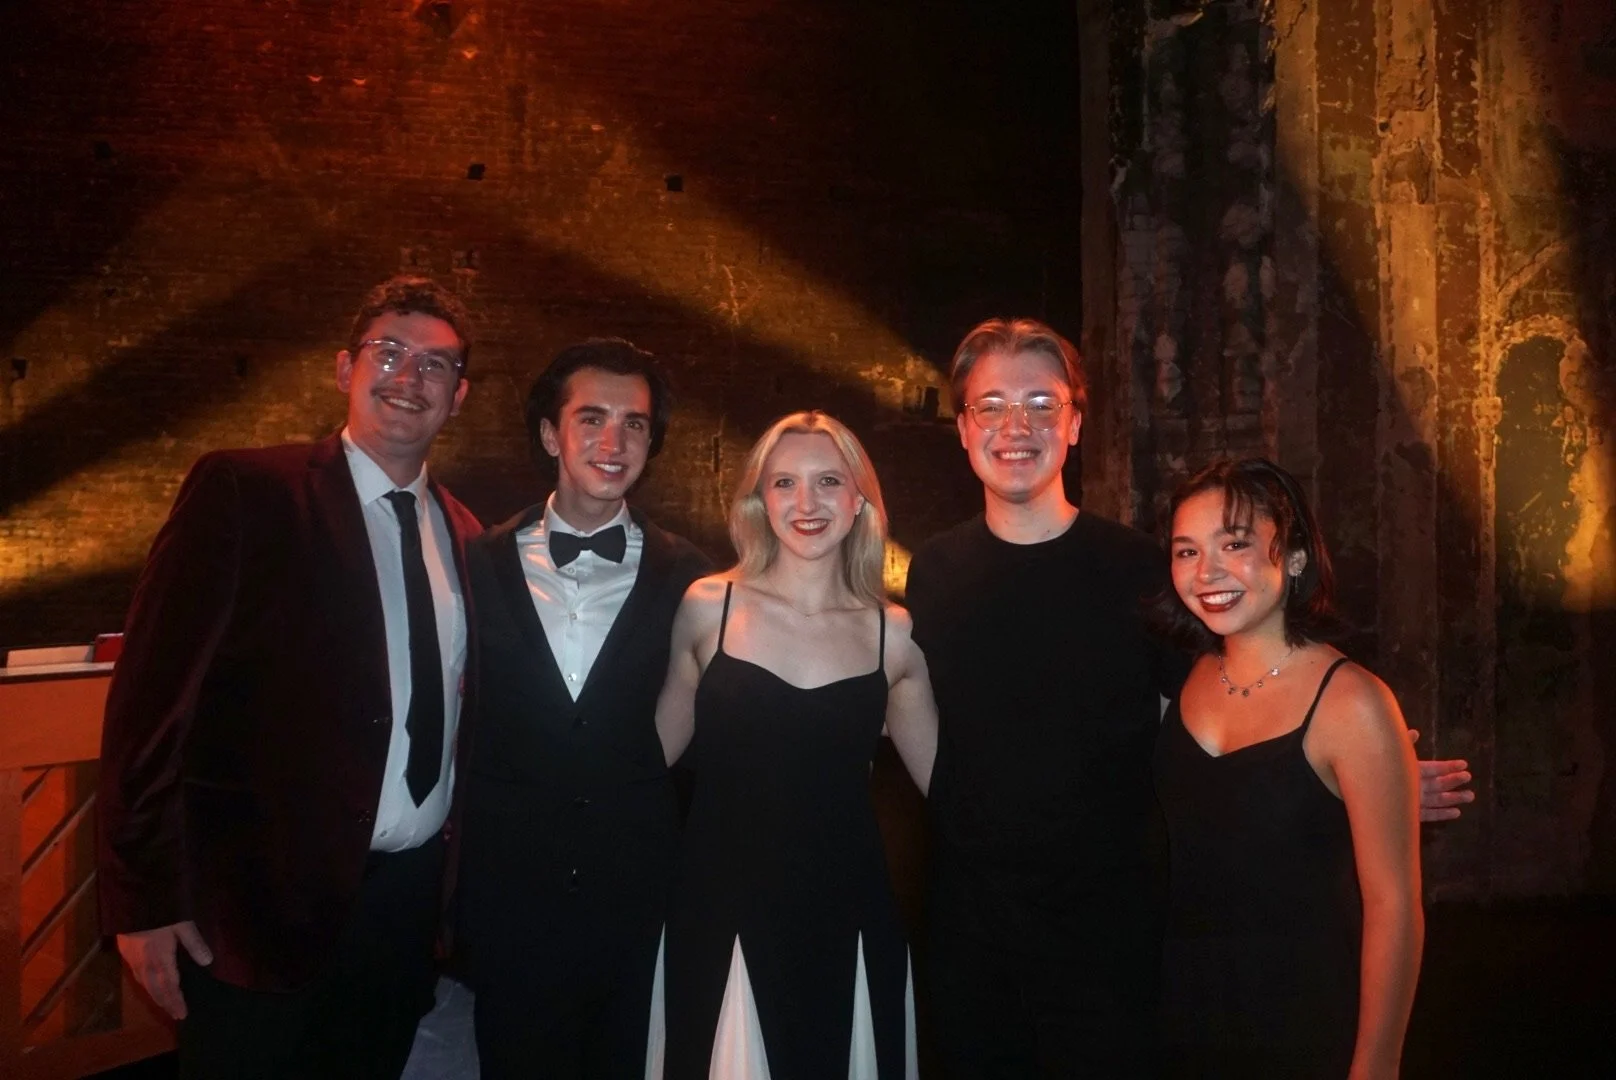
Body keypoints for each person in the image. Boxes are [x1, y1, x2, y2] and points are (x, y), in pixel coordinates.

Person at [902, 317, 1473, 1076]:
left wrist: (1365, 776)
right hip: (970, 935)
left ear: (1075, 422)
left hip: (1117, 937)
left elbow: (1223, 708)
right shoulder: (934, 571)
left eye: (1042, 404)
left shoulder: (1142, 569)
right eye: (993, 405)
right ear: (964, 426)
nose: (1018, 426)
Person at [97, 276, 481, 1079]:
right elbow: (148, 709)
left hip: (399, 921)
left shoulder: (467, 536)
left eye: (435, 366)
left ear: (459, 395)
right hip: (253, 913)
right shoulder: (246, 492)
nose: (409, 378)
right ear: (345, 368)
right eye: (390, 352)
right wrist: (142, 899)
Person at [653, 410, 938, 1079]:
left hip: (847, 913)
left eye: (828, 481)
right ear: (758, 498)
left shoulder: (892, 634)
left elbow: (951, 790)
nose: (805, 503)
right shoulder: (707, 607)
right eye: (785, 483)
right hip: (719, 906)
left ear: (859, 498)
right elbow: (643, 762)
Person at [454, 339, 711, 1079]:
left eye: (633, 424)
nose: (613, 441)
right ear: (549, 434)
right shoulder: (475, 563)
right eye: (591, 418)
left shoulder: (693, 577)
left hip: (641, 909)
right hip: (509, 909)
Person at [1153, 458, 1422, 1077]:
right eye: (1186, 551)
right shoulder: (1184, 675)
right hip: (1185, 1015)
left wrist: (1377, 1065)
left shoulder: (1352, 701)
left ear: (1294, 557)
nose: (1207, 572)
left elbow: (1395, 904)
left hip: (1308, 1023)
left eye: (1235, 544)